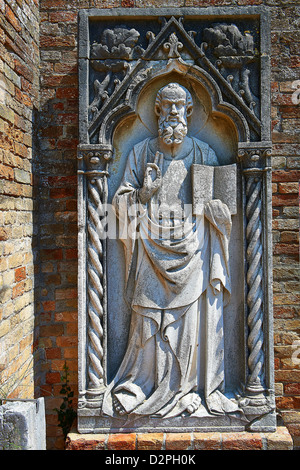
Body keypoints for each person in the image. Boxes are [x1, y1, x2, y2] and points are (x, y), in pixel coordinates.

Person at [102, 82, 239, 419]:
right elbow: (115, 210)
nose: (174, 114)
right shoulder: (141, 153)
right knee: (149, 323)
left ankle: (188, 390)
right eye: (168, 107)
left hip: (194, 254)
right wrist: (142, 195)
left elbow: (228, 212)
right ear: (158, 111)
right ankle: (141, 386)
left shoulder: (205, 153)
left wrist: (214, 210)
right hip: (149, 250)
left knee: (189, 328)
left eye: (181, 108)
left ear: (189, 113)